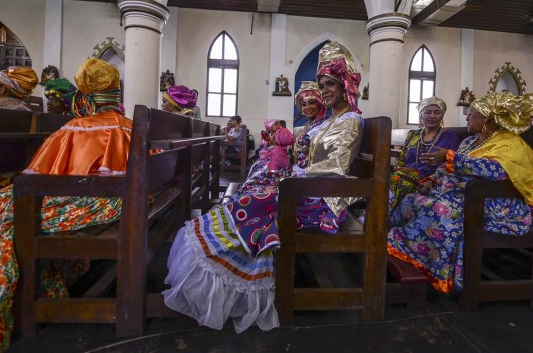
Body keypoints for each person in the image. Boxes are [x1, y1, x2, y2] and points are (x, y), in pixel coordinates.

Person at [162, 41, 364, 332]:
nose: (325, 90)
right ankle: (220, 263)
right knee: (251, 197)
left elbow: (336, 167)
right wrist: (290, 170)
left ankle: (236, 277)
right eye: (322, 85)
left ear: (345, 83)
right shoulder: (328, 121)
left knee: (252, 201)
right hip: (306, 187)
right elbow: (303, 151)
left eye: (330, 83)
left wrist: (293, 175)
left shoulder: (351, 121)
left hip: (324, 199)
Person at [0, 58, 130, 353]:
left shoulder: (78, 128)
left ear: (86, 94)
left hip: (85, 200)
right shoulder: (129, 126)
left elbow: (41, 175)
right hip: (119, 202)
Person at [387, 91, 533, 293]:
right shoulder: (470, 141)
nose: (467, 116)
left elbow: (498, 172)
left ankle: (434, 268)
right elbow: (447, 167)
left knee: (439, 210)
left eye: (471, 113)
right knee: (411, 200)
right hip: (464, 196)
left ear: (486, 118)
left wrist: (454, 159)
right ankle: (403, 251)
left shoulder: (509, 143)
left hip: (496, 203)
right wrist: (431, 180)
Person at [389, 97, 461, 209]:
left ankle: (388, 218)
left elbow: (450, 164)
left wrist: (416, 170)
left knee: (396, 181)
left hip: (432, 179)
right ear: (421, 115)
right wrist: (399, 168)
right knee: (387, 178)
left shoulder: (450, 136)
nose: (432, 116)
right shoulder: (413, 135)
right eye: (427, 112)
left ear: (442, 116)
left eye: (437, 112)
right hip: (404, 175)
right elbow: (402, 159)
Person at [292, 80, 327, 169]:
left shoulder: (325, 126)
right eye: (304, 104)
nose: (307, 107)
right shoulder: (306, 127)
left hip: (313, 176)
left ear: (320, 105)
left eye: (311, 103)